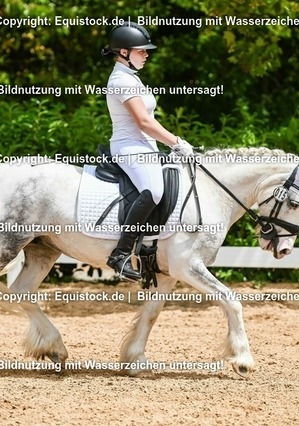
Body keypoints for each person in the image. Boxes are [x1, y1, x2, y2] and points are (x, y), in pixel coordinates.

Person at [100, 23, 194, 280]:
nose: (146, 54)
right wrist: (176, 142)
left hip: (145, 146)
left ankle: (152, 249)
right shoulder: (121, 80)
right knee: (154, 190)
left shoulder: (131, 77)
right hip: (129, 147)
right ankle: (120, 254)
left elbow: (148, 122)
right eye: (141, 50)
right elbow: (143, 122)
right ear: (123, 52)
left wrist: (170, 143)